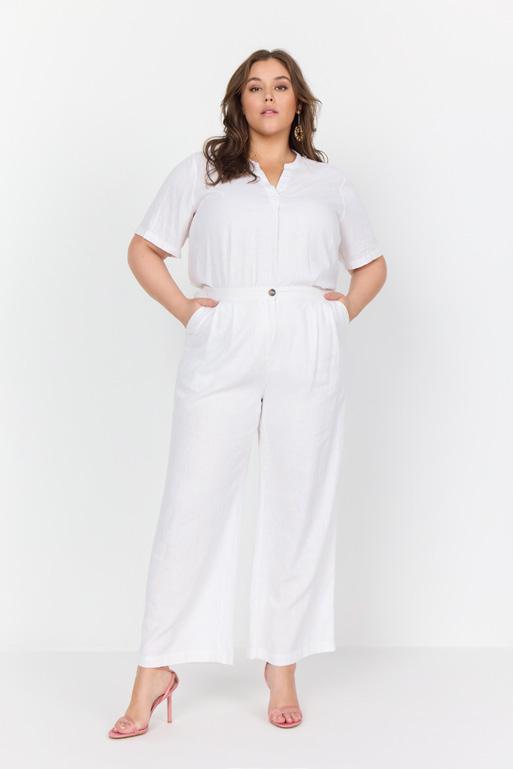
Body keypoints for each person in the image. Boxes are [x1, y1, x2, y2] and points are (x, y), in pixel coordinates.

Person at [108, 48, 387, 739]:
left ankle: (281, 663)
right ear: (239, 102)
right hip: (225, 337)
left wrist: (338, 314)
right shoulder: (204, 173)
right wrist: (188, 311)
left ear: (298, 102)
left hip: (306, 343)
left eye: (280, 86)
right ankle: (155, 667)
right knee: (191, 503)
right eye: (255, 86)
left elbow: (371, 264)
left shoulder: (328, 183)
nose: (268, 96)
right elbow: (144, 249)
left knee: (298, 501)